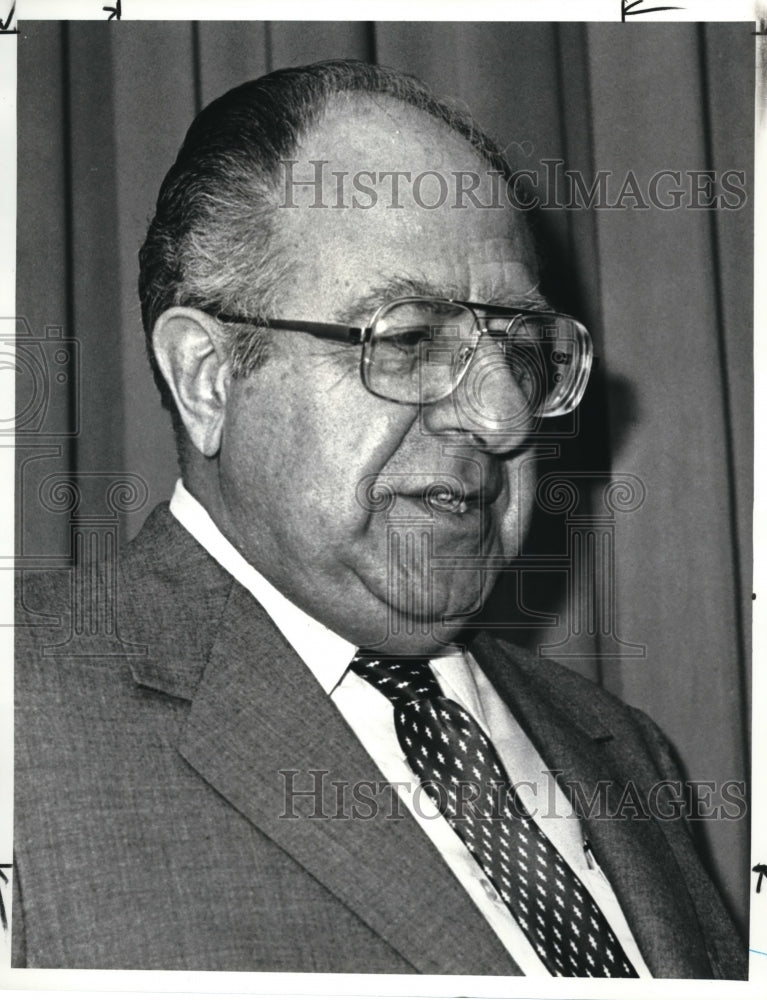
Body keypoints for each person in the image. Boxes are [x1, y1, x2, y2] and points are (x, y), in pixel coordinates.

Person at [12, 59, 745, 977]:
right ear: (207, 377)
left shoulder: (626, 752)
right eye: (407, 340)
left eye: (516, 349)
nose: (501, 417)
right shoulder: (26, 713)